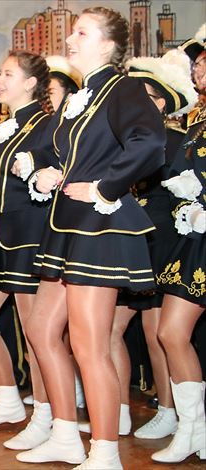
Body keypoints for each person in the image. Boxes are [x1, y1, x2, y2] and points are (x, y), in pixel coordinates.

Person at [12, 7, 165, 468]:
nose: (70, 40)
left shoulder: (123, 88)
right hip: (67, 227)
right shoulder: (83, 97)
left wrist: (104, 187)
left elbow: (150, 143)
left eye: (82, 32)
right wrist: (49, 173)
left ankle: (105, 452)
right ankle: (64, 433)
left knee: (89, 345)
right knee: (41, 328)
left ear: (108, 45)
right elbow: (67, 153)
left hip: (100, 227)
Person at [74, 48, 198, 441]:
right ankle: (119, 411)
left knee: (159, 332)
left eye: (143, 95)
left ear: (160, 103)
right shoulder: (122, 138)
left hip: (166, 241)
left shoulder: (175, 139)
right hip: (131, 242)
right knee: (113, 328)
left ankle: (169, 410)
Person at [0, 52, 55, 449]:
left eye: (7, 74)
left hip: (30, 238)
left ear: (31, 83)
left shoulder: (46, 124)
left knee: (37, 335)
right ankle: (8, 400)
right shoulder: (5, 126)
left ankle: (46, 416)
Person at [152, 32, 206, 464]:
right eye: (198, 62)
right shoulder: (197, 122)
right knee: (170, 332)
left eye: (205, 62)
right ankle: (193, 430)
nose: (198, 67)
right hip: (193, 240)